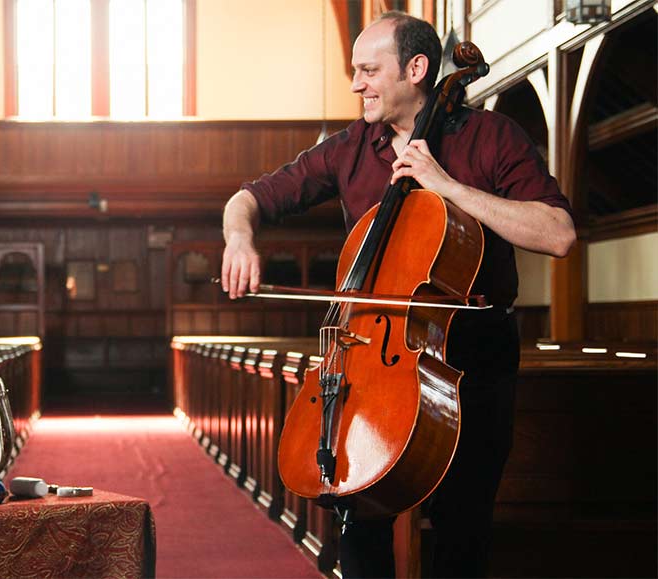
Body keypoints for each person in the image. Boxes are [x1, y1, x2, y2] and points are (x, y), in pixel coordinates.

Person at [220, 11, 575, 578]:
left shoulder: (492, 137)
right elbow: (250, 199)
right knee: (357, 515)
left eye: (368, 70)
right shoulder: (350, 147)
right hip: (370, 359)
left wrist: (450, 187)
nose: (356, 84)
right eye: (355, 71)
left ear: (416, 68)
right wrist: (239, 238)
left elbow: (557, 235)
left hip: (472, 360)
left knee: (462, 527)